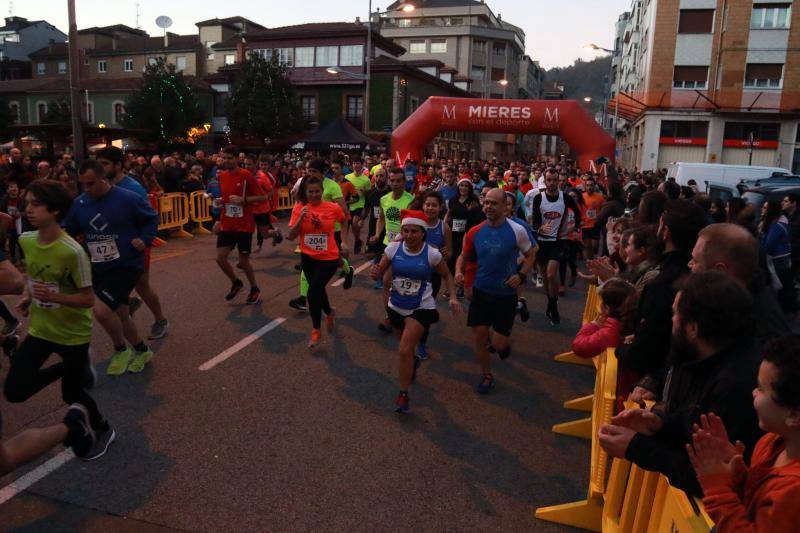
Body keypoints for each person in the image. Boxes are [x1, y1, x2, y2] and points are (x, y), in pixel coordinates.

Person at [599, 271, 762, 497]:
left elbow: (711, 477)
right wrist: (659, 424)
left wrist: (636, 447)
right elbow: (695, 422)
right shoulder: (717, 361)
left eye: (675, 314)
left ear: (693, 328)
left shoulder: (735, 386)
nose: (672, 320)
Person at [4, 179, 115, 459]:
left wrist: (55, 298)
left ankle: (102, 428)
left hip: (72, 334)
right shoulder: (27, 240)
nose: (28, 209)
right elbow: (34, 277)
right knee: (15, 390)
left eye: (36, 205)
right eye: (27, 203)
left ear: (54, 211)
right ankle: (69, 368)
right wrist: (28, 296)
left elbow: (88, 299)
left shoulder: (72, 252)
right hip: (41, 330)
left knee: (72, 395)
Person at [689, 335, 800, 532]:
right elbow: (756, 504)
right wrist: (738, 478)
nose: (753, 393)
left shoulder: (794, 493)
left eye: (761, 389)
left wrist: (717, 487)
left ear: (793, 414)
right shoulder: (770, 443)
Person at [64, 160, 158, 376]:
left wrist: (144, 239)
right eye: (83, 185)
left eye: (90, 184)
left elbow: (151, 219)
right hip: (99, 265)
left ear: (103, 179)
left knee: (102, 311)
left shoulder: (128, 198)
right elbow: (68, 228)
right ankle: (141, 350)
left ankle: (120, 349)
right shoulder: (80, 203)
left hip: (127, 264)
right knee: (121, 315)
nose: (86, 189)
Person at [616, 199, 707, 401]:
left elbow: (647, 351)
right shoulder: (703, 280)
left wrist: (621, 349)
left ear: (665, 232)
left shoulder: (663, 283)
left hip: (658, 387)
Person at [370, 209, 460, 413]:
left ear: (423, 233)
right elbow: (380, 271)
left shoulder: (432, 254)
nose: (410, 235)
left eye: (415, 231)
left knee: (403, 350)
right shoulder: (393, 249)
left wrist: (453, 296)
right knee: (406, 350)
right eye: (406, 231)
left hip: (421, 307)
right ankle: (415, 361)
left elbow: (447, 275)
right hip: (395, 306)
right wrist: (375, 272)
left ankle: (403, 393)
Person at [458, 188, 535, 394]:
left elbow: (531, 254)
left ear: (504, 206)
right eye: (486, 203)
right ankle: (487, 375)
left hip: (505, 296)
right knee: (480, 337)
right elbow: (465, 258)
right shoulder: (475, 232)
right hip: (481, 292)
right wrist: (463, 280)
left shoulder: (517, 230)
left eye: (494, 203)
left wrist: (521, 276)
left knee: (498, 343)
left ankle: (503, 345)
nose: (488, 207)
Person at [96, 147, 169, 340]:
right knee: (102, 284)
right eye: (99, 164)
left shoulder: (133, 188)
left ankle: (160, 319)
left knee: (142, 285)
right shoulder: (99, 187)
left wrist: (143, 239)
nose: (100, 168)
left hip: (135, 247)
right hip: (111, 246)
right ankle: (128, 301)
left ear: (118, 165)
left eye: (105, 164)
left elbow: (150, 218)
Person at [288, 175, 349, 348]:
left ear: (322, 192)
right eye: (310, 192)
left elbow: (344, 221)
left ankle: (316, 330)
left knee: (313, 293)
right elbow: (290, 235)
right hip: (308, 258)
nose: (314, 195)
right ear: (305, 193)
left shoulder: (333, 207)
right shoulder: (300, 208)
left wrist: (344, 241)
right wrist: (300, 219)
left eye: (317, 191)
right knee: (318, 290)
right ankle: (329, 312)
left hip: (329, 257)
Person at [212, 146, 266, 305]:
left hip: (244, 225)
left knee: (243, 261)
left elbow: (262, 197)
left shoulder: (246, 175)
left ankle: (254, 288)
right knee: (220, 258)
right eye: (224, 158)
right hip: (227, 223)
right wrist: (221, 202)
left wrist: (244, 201)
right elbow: (226, 197)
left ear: (237, 159)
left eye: (230, 158)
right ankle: (236, 282)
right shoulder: (221, 176)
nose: (227, 161)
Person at [530, 169, 581, 325]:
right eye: (549, 180)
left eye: (554, 180)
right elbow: (536, 220)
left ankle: (553, 307)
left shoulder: (565, 198)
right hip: (542, 241)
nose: (552, 183)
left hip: (559, 240)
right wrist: (539, 228)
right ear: (545, 181)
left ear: (559, 181)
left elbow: (578, 213)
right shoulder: (539, 198)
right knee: (545, 276)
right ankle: (551, 303)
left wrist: (575, 228)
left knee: (552, 274)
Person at [370, 168, 415, 330]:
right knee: (387, 282)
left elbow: (413, 225)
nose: (395, 183)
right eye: (392, 180)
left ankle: (408, 315)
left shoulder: (411, 200)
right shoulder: (384, 199)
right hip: (388, 245)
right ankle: (389, 317)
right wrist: (376, 234)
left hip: (406, 247)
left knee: (404, 283)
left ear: (404, 182)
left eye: (398, 181)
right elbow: (381, 219)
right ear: (389, 181)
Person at [414, 190, 452, 359]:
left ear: (441, 207)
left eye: (434, 205)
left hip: (433, 276)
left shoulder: (443, 227)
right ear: (422, 205)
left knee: (424, 309)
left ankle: (421, 343)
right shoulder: (415, 222)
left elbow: (449, 252)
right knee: (412, 306)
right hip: (412, 272)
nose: (430, 208)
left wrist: (446, 252)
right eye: (427, 204)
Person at [445, 178, 484, 297]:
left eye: (466, 186)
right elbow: (449, 213)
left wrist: (471, 210)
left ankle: (461, 285)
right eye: (461, 186)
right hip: (453, 233)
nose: (463, 188)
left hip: (466, 233)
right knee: (451, 260)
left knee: (463, 259)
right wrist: (445, 223)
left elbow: (477, 217)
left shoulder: (473, 200)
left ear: (470, 188)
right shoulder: (453, 200)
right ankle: (452, 285)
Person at [759, 200, 794, 314]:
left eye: (765, 208)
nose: (762, 209)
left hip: (777, 259)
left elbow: (768, 244)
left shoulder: (776, 225)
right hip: (780, 258)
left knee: (775, 287)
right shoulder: (776, 223)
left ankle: (775, 314)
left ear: (770, 211)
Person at [364, 167, 389, 289]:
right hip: (374, 228)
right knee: (372, 254)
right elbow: (366, 209)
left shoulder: (390, 193)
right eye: (377, 176)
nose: (379, 178)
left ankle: (382, 278)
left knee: (384, 254)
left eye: (382, 176)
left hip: (389, 229)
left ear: (386, 177)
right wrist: (360, 219)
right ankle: (379, 277)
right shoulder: (370, 193)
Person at [345, 157, 372, 255]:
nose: (356, 165)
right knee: (348, 227)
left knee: (355, 223)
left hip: (360, 204)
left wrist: (365, 193)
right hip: (349, 204)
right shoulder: (347, 177)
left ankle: (357, 242)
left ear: (362, 165)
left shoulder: (366, 180)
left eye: (358, 163)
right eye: (354, 163)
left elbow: (369, 194)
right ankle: (358, 240)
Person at [581, 175, 604, 260]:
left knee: (595, 246)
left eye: (591, 185)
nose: (589, 187)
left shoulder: (599, 197)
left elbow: (603, 209)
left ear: (594, 186)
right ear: (585, 186)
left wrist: (600, 218)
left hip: (595, 225)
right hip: (585, 225)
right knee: (587, 246)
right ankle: (591, 262)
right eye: (588, 185)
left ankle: (593, 257)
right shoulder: (582, 197)